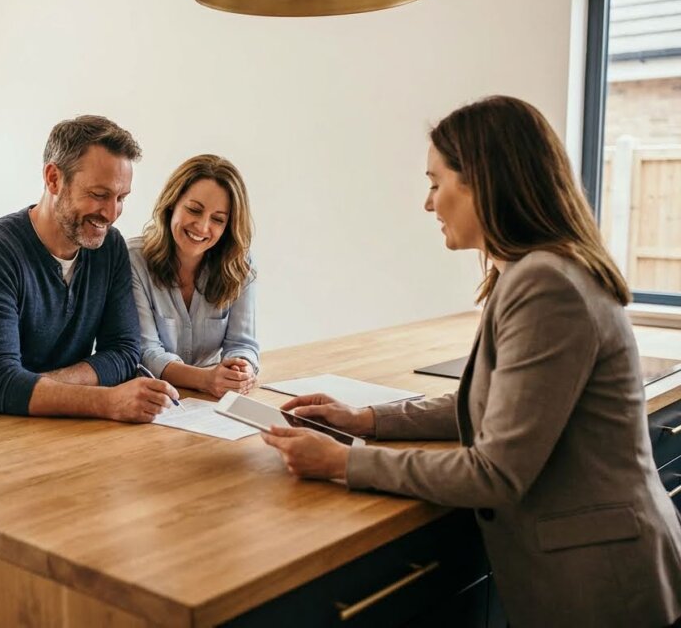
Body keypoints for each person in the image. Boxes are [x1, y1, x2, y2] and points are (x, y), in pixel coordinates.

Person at [261, 96, 681, 626]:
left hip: (599, 585)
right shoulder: (535, 270)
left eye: (436, 182)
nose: (428, 203)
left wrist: (342, 462)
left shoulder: (544, 284)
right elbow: (491, 405)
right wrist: (366, 420)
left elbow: (496, 472)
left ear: (481, 180)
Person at [0, 114, 178, 421]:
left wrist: (32, 386)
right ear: (53, 178)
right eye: (99, 195)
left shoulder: (109, 247)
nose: (111, 213)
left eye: (121, 198)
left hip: (52, 423)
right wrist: (108, 401)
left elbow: (124, 353)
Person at [128, 154, 258, 398]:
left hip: (209, 403)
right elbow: (146, 351)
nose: (202, 226)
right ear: (172, 204)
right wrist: (207, 379)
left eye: (217, 219)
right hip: (155, 399)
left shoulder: (239, 263)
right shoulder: (134, 260)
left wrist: (241, 370)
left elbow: (242, 344)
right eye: (194, 210)